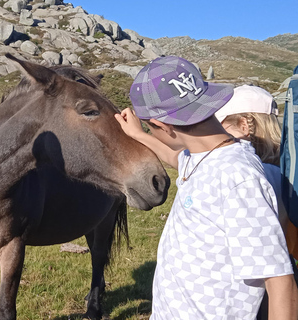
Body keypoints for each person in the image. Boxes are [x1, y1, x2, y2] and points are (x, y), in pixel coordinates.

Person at [114, 56, 298, 319]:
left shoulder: (238, 179)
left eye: (150, 127)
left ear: (164, 126)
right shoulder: (203, 157)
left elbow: (280, 282)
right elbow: (175, 158)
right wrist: (139, 134)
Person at [214, 84, 298, 319]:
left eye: (221, 126)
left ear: (244, 125)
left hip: (256, 295)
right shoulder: (284, 173)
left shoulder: (251, 177)